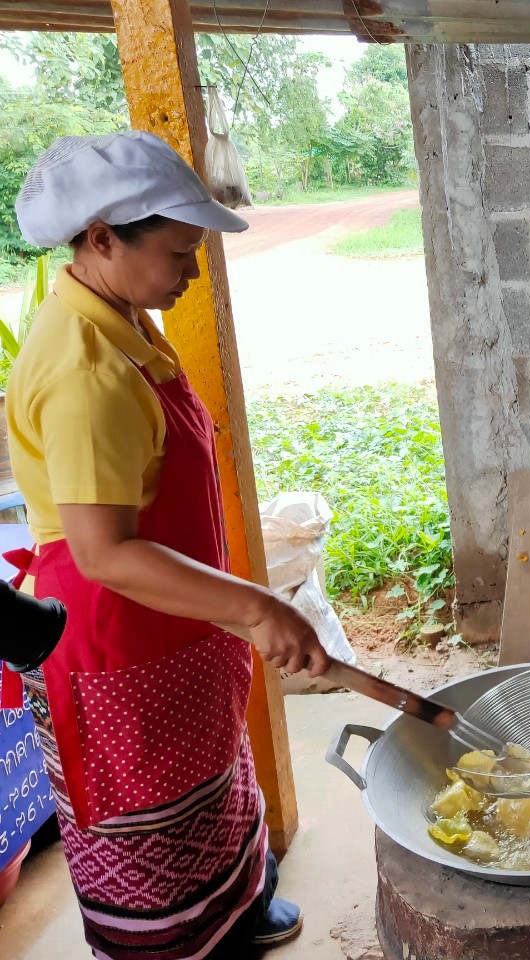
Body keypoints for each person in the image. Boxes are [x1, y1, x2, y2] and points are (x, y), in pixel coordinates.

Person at [4, 131, 330, 959]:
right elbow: (107, 552)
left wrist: (229, 608)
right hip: (115, 634)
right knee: (147, 816)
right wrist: (254, 605)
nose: (191, 271)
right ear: (104, 237)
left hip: (175, 620)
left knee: (212, 781)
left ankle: (235, 905)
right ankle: (185, 944)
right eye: (180, 250)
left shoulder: (120, 319)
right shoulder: (85, 371)